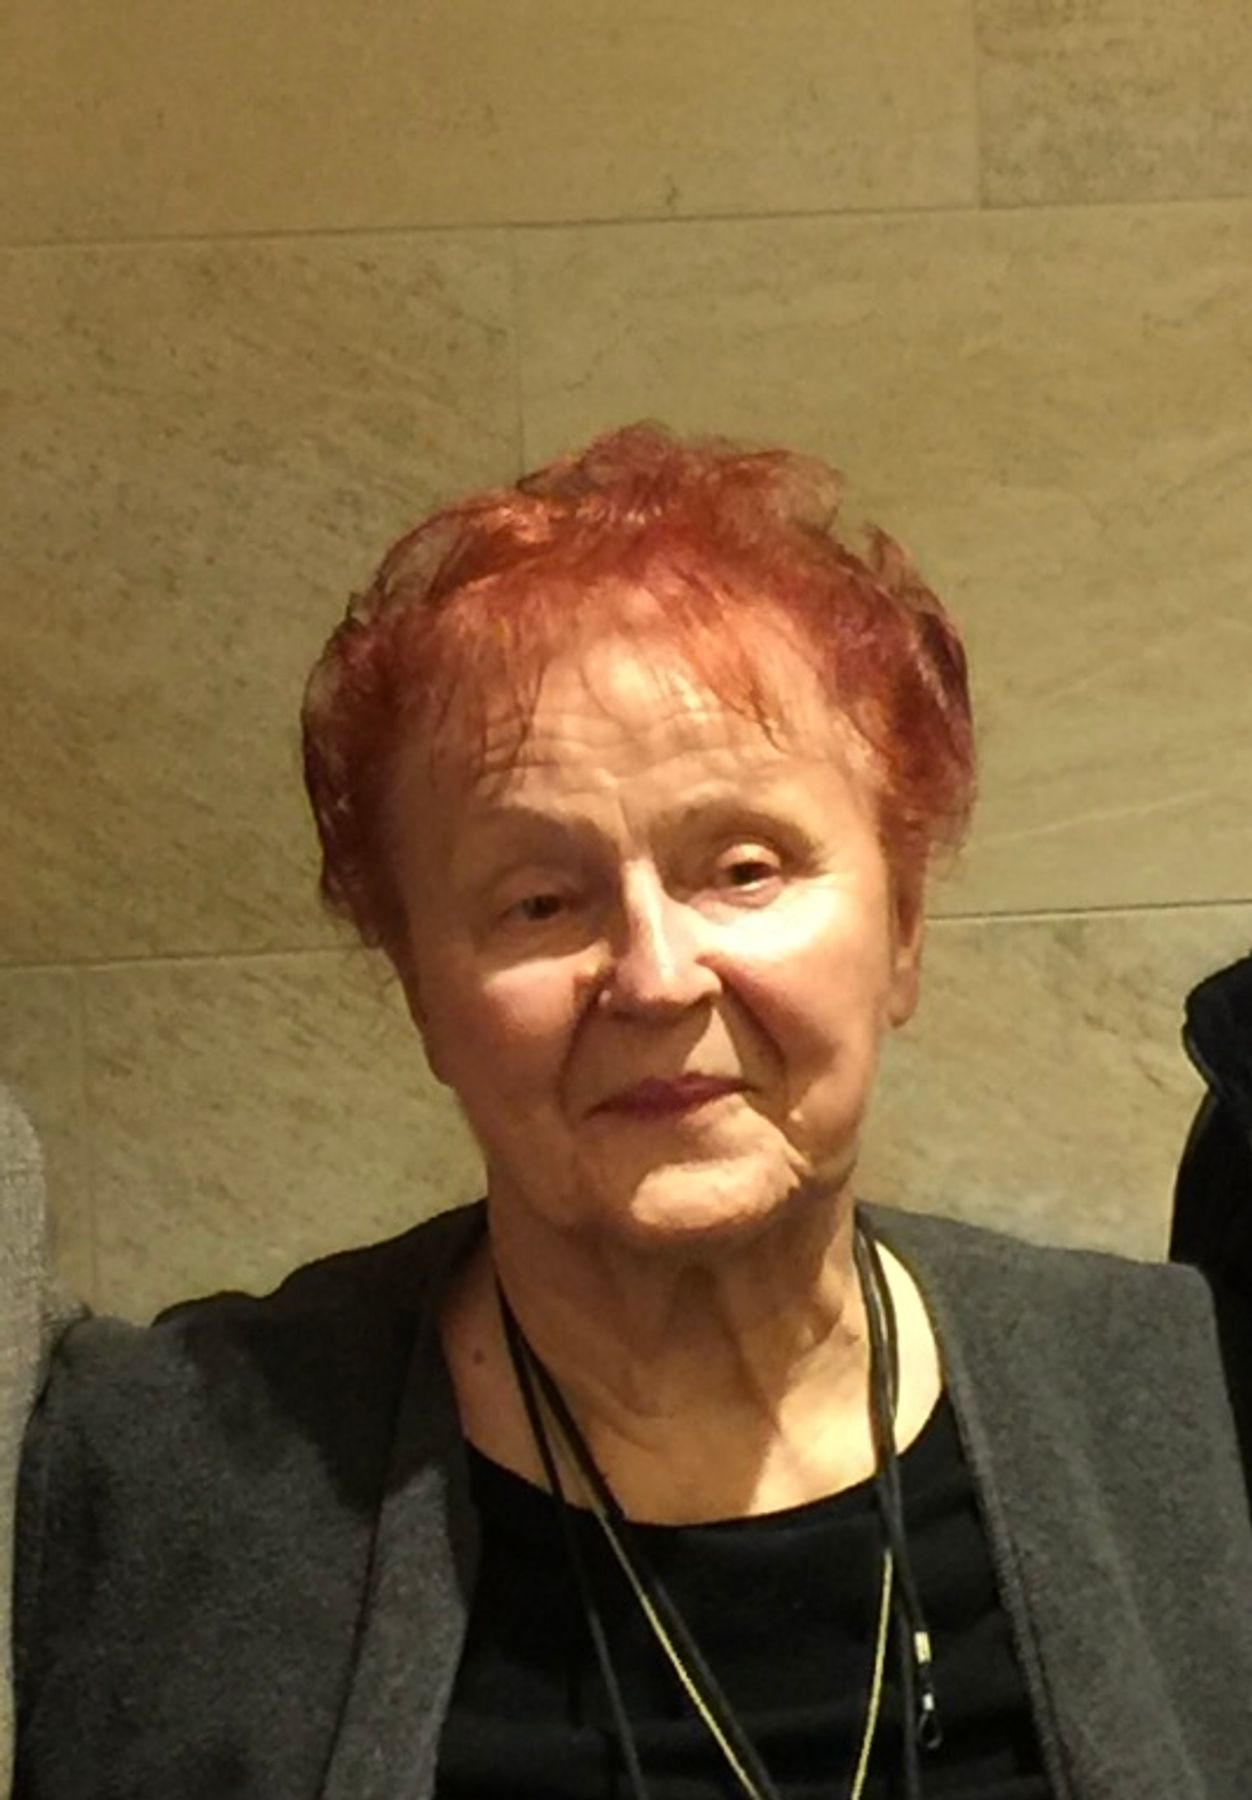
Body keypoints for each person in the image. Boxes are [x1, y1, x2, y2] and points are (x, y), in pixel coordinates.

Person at [12, 426, 1252, 1800]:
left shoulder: (1174, 1397)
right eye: (539, 901)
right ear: (421, 989)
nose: (657, 978)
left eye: (744, 867)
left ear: (901, 930)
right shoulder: (154, 1473)